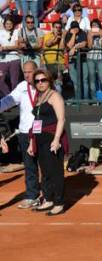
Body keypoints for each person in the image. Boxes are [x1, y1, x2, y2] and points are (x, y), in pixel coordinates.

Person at [27, 69, 67, 216]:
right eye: (37, 81)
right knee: (45, 172)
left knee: (55, 172)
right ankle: (48, 199)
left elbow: (61, 119)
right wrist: (32, 142)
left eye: (43, 80)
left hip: (51, 137)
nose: (40, 83)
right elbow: (36, 121)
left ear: (49, 80)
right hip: (39, 139)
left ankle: (59, 203)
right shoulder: (40, 97)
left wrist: (56, 140)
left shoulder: (54, 96)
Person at [0, 61, 40, 209]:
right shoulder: (22, 87)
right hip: (25, 132)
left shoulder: (43, 85)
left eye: (30, 71)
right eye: (25, 72)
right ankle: (31, 196)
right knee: (29, 167)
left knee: (46, 166)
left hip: (41, 132)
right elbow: (8, 101)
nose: (27, 75)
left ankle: (51, 195)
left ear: (36, 71)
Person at [64, 21, 88, 100]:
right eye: (73, 28)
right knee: (75, 81)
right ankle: (78, 99)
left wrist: (74, 47)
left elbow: (84, 43)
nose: (75, 29)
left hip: (83, 59)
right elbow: (69, 45)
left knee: (84, 80)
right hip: (72, 61)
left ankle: (86, 99)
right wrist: (73, 34)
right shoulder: (68, 34)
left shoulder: (82, 33)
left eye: (76, 27)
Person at [87, 19, 102, 99]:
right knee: (92, 79)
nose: (94, 27)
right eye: (93, 25)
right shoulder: (89, 33)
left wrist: (101, 36)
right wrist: (91, 36)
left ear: (99, 26)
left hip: (100, 58)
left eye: (96, 25)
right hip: (90, 58)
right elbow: (89, 46)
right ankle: (94, 98)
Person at [43, 20, 65, 86]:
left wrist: (62, 38)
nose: (58, 29)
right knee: (48, 83)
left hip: (59, 63)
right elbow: (48, 44)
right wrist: (55, 37)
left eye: (59, 27)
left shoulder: (63, 36)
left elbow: (61, 48)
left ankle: (58, 96)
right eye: (56, 27)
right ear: (53, 28)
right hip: (48, 62)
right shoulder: (47, 35)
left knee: (58, 84)